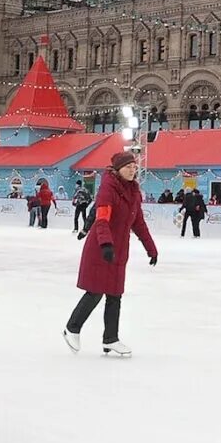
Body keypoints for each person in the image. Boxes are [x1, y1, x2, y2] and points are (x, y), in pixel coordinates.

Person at [63, 151, 158, 357]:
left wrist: (151, 248)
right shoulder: (108, 189)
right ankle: (72, 328)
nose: (132, 170)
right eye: (128, 167)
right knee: (95, 291)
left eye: (134, 167)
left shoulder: (133, 192)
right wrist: (106, 244)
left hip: (119, 250)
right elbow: (102, 218)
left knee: (115, 294)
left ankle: (111, 339)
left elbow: (139, 223)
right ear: (117, 170)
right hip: (101, 247)